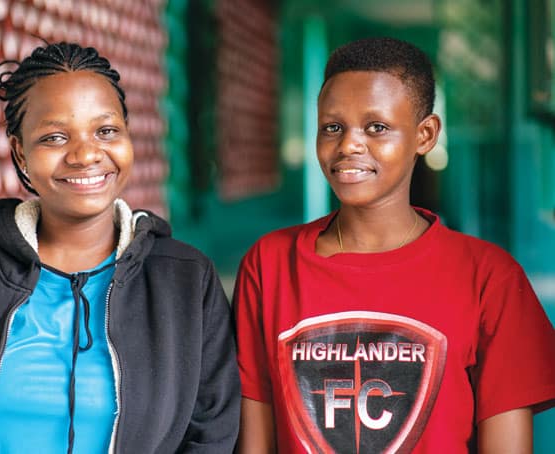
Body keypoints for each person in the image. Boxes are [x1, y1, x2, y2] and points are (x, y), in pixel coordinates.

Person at [0, 42, 240, 454]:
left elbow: (212, 431)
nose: (86, 154)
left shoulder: (186, 280)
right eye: (54, 137)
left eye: (106, 131)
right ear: (21, 153)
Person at [234, 37, 555, 453]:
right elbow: (255, 440)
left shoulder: (488, 276)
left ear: (425, 135)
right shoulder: (271, 263)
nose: (349, 144)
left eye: (376, 127)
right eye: (333, 127)